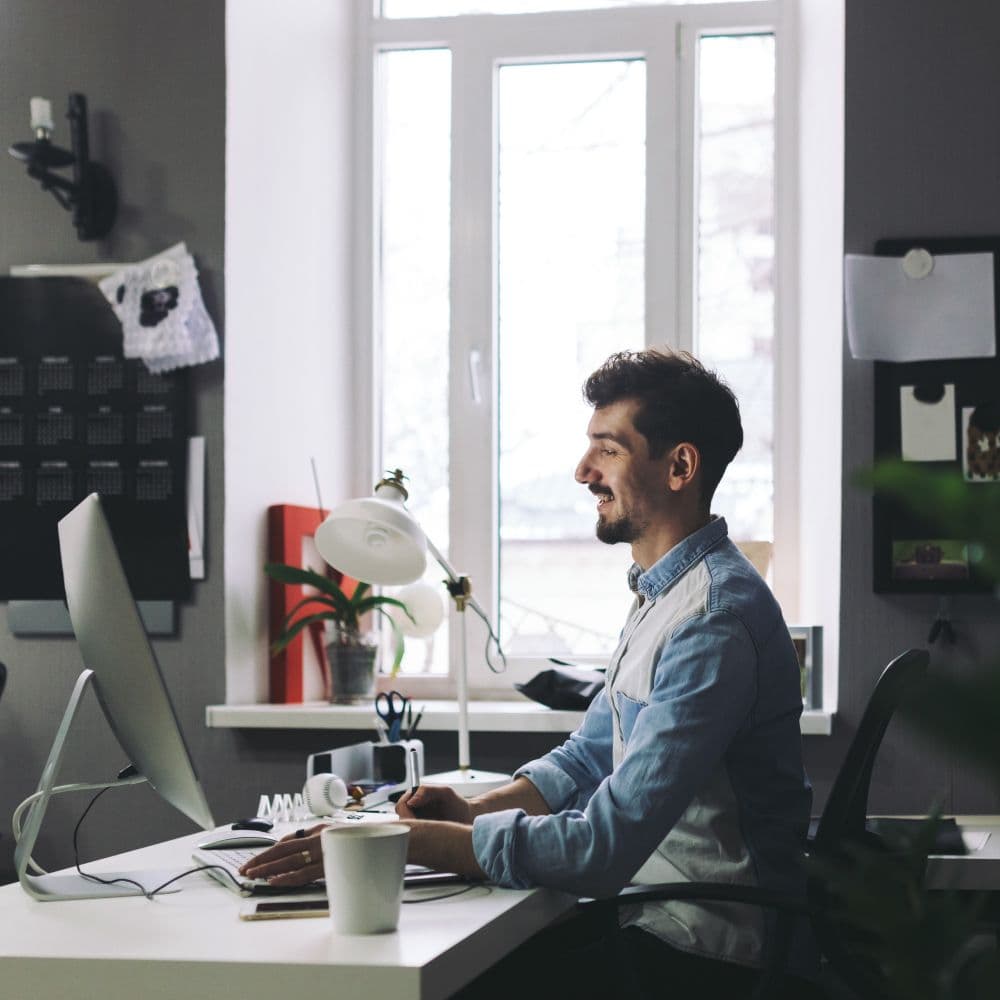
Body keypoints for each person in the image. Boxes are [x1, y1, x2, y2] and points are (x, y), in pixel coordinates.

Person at [242, 348, 821, 998]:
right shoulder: (666, 595)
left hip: (701, 950)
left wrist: (401, 840)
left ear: (680, 465)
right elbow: (587, 757)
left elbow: (603, 848)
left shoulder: (711, 618)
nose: (582, 472)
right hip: (652, 918)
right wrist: (470, 811)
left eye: (608, 449)